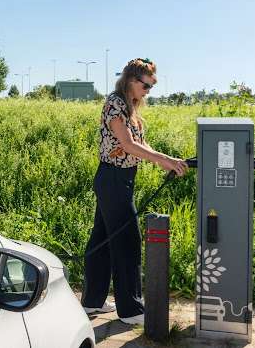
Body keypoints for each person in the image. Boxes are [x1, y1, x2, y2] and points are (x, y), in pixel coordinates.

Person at [81, 58, 188, 325]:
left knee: (102, 240)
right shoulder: (115, 103)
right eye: (146, 85)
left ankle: (92, 301)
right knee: (128, 240)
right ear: (131, 80)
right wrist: (164, 160)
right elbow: (128, 145)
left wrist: (167, 160)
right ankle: (130, 311)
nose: (148, 91)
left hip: (121, 179)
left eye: (151, 86)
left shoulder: (130, 108)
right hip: (113, 178)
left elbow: (141, 144)